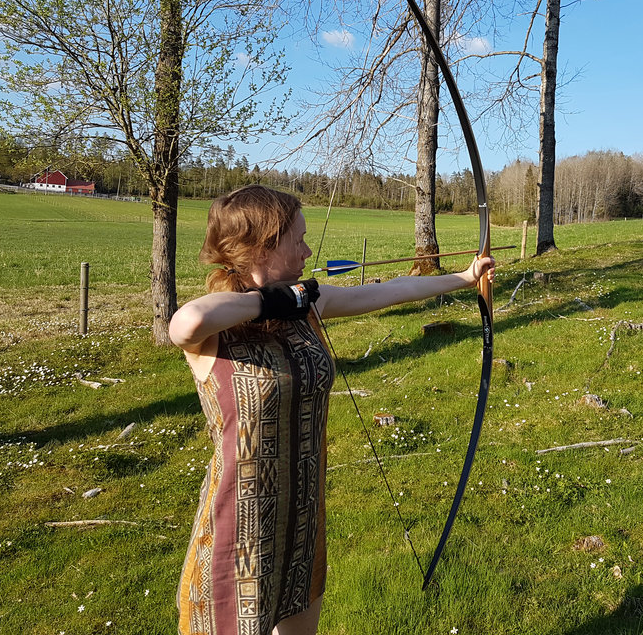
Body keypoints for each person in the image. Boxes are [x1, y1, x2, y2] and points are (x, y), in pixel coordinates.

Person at [168, 185, 495, 635]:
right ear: (263, 246)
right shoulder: (214, 332)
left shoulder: (309, 304)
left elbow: (393, 291)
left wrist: (464, 277)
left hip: (302, 515)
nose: (307, 250)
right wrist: (273, 300)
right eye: (297, 240)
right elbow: (186, 321)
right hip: (238, 528)